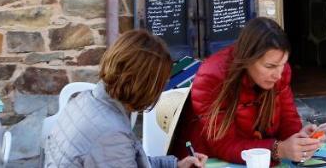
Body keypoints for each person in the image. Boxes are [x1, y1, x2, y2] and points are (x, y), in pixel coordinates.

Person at [43, 29, 206, 168]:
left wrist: (175, 165)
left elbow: (126, 159)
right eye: (160, 84)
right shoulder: (110, 132)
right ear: (143, 84)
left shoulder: (86, 100)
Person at [179, 17, 320, 165]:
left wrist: (300, 140)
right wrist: (278, 149)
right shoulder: (211, 77)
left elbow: (288, 119)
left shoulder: (281, 73)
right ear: (248, 58)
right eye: (270, 66)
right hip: (209, 160)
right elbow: (224, 145)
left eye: (282, 64)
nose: (278, 75)